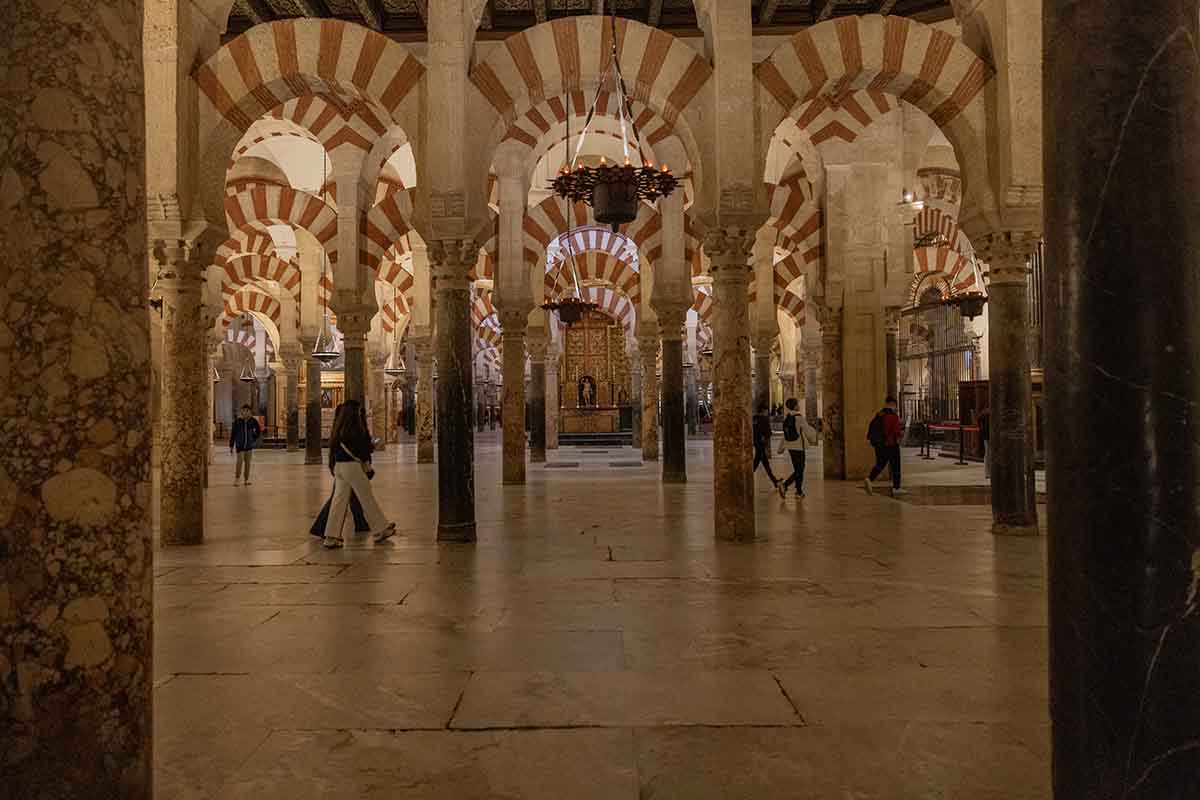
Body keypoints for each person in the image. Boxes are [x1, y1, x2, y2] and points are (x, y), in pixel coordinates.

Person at [321, 400, 396, 549]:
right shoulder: (355, 429)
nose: (361, 413)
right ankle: (380, 530)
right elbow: (363, 449)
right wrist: (372, 445)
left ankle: (331, 536)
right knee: (367, 498)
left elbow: (333, 451)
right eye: (359, 411)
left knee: (339, 501)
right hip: (352, 467)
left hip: (339, 467)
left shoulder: (338, 429)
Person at [864, 395, 905, 497]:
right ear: (892, 404)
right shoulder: (893, 416)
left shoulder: (879, 414)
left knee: (880, 464)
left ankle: (869, 479)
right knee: (896, 465)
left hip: (879, 444)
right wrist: (901, 434)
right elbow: (896, 432)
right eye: (895, 405)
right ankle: (896, 487)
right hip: (891, 444)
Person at [777, 397, 817, 498]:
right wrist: (813, 437)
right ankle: (785, 485)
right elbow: (808, 431)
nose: (799, 406)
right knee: (800, 470)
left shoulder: (787, 418)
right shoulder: (799, 418)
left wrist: (781, 448)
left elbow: (785, 435)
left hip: (790, 447)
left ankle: (799, 492)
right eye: (798, 404)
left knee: (798, 469)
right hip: (799, 447)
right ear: (795, 406)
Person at [752, 402, 783, 496]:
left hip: (756, 442)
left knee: (762, 463)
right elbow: (768, 433)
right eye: (767, 410)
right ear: (764, 410)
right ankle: (775, 482)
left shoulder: (754, 418)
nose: (768, 412)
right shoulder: (764, 419)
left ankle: (775, 481)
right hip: (761, 443)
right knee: (761, 463)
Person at [229, 404, 261, 486]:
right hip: (240, 446)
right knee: (239, 462)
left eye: (247, 411)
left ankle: (246, 479)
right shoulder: (237, 421)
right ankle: (237, 479)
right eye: (243, 410)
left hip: (249, 446)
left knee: (248, 463)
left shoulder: (253, 421)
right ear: (241, 411)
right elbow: (233, 434)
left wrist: (253, 438)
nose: (245, 412)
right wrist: (231, 446)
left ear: (250, 412)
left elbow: (258, 430)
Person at [978, 406, 991, 480]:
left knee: (988, 453)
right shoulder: (988, 413)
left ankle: (988, 473)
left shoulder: (983, 413)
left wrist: (982, 432)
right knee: (989, 453)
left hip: (986, 436)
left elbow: (980, 423)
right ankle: (988, 472)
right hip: (989, 436)